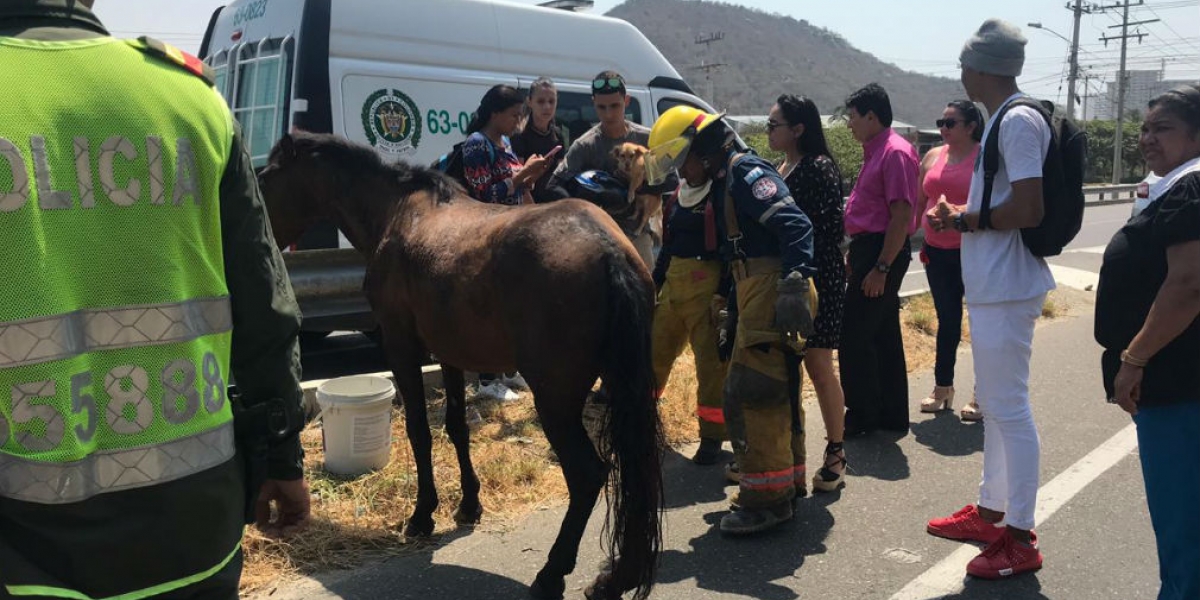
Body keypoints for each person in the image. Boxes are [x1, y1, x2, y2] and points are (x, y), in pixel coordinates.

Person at [0, 1, 310, 598]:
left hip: (26, 552)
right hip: (195, 534)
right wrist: (281, 460)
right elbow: (263, 306)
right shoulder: (190, 98)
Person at [925, 19, 1056, 580]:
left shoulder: (1018, 120)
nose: (960, 72)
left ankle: (1019, 537)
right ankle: (990, 514)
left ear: (980, 67)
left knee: (1010, 410)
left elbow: (1029, 209)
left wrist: (965, 219)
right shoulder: (1006, 118)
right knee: (1000, 412)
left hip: (1007, 285)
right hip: (995, 284)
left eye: (964, 63)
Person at [646, 106, 817, 534]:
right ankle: (787, 483)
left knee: (754, 393)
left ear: (701, 151)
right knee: (775, 391)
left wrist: (794, 283)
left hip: (771, 286)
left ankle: (766, 501)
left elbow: (796, 225)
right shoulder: (722, 180)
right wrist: (731, 303)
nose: (681, 174)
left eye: (680, 161)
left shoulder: (744, 173)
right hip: (755, 288)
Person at [1095, 84, 1200, 600]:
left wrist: (1133, 359)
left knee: (1183, 523)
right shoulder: (1178, 185)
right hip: (1178, 380)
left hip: (1178, 383)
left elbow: (1187, 285)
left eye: (1164, 128)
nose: (1147, 139)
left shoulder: (1191, 187)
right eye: (1145, 127)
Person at [767, 95, 848, 492]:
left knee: (818, 366)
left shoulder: (818, 169)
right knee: (785, 370)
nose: (768, 131)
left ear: (798, 129)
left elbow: (824, 232)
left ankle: (836, 452)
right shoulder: (782, 167)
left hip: (820, 279)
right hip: (790, 281)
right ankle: (785, 456)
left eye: (774, 125)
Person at [461, 84, 550, 401]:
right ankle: (487, 380)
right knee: (492, 309)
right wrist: (519, 177)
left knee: (514, 308)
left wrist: (529, 175)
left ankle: (510, 370)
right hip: (489, 237)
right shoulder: (476, 145)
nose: (517, 121)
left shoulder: (506, 141)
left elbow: (513, 184)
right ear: (495, 114)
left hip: (512, 233)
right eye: (513, 115)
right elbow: (484, 195)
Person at [839, 83, 919, 437]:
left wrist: (881, 268)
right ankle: (891, 414)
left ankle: (862, 414)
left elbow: (901, 215)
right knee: (883, 334)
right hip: (868, 250)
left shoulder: (894, 153)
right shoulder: (875, 151)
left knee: (854, 335)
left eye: (853, 117)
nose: (849, 124)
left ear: (872, 116)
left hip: (882, 251)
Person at [548, 70, 675, 267]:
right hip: (596, 237)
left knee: (642, 293)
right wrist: (589, 201)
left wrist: (638, 187)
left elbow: (671, 181)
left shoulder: (647, 139)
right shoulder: (586, 145)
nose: (608, 113)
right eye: (601, 107)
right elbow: (555, 185)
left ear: (627, 101)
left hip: (636, 235)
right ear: (593, 103)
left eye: (615, 106)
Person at [650, 156, 729, 466]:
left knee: (710, 366)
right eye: (680, 164)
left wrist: (723, 291)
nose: (683, 169)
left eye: (690, 163)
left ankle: (712, 437)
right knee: (654, 354)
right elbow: (667, 246)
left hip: (705, 286)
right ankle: (645, 422)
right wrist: (655, 283)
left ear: (706, 162)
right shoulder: (677, 197)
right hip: (674, 284)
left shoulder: (720, 195)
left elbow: (727, 248)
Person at [916, 100, 982, 421]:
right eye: (941, 121)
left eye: (951, 122)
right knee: (948, 321)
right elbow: (919, 200)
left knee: (982, 324)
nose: (943, 128)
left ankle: (983, 393)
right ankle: (943, 387)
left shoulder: (984, 158)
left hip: (974, 251)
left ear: (970, 126)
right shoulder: (932, 156)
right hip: (936, 250)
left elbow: (995, 201)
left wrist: (955, 211)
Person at [511, 77, 569, 204]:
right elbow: (517, 177)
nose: (547, 107)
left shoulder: (557, 134)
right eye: (541, 101)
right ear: (530, 102)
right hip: (529, 200)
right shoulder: (520, 134)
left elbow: (561, 171)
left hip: (554, 197)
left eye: (551, 101)